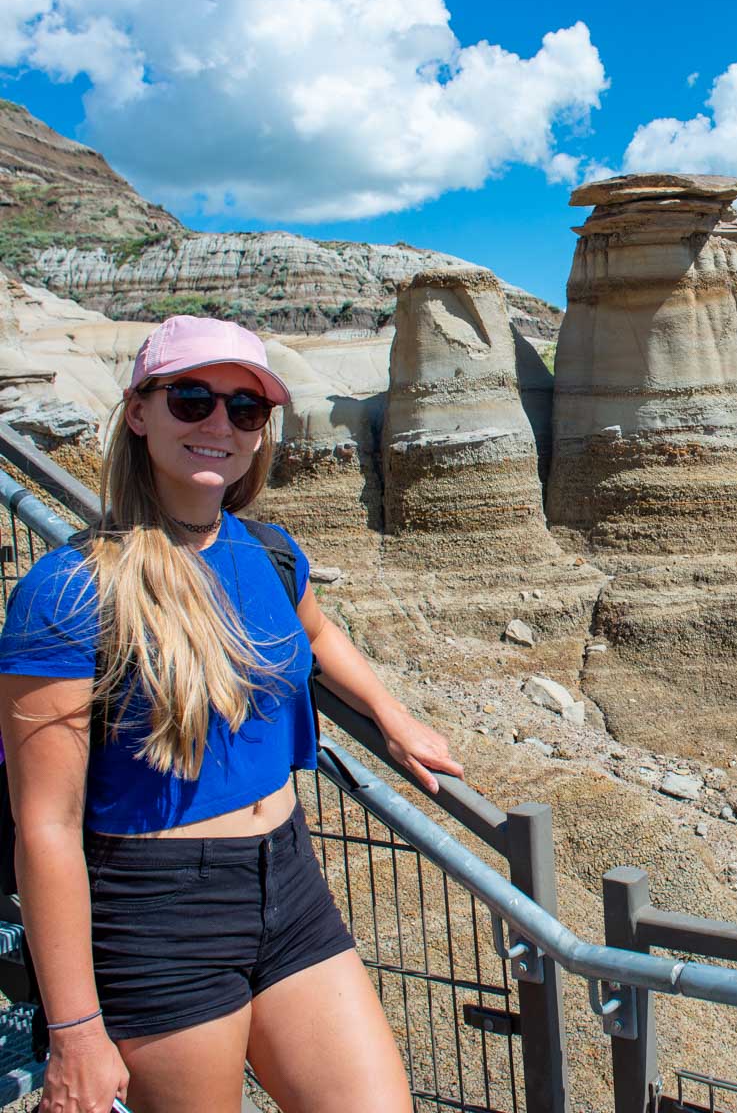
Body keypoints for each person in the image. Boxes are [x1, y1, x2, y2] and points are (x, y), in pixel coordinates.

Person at [0, 315, 464, 1113]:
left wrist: (392, 714)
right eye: (192, 399)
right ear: (138, 412)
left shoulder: (269, 550)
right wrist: (75, 1032)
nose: (220, 423)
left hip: (291, 880)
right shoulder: (68, 591)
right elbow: (45, 825)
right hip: (157, 911)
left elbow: (317, 633)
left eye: (246, 409)